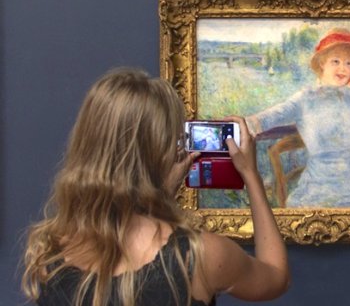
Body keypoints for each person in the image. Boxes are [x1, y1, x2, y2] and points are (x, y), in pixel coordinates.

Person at [22, 67, 289, 305]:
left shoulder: (49, 255)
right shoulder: (198, 257)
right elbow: (275, 277)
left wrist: (160, 197)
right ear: (163, 152)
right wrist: (250, 174)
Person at [247, 28, 350, 208]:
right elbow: (268, 118)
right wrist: (241, 124)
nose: (343, 68)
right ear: (322, 64)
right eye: (336, 61)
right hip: (317, 186)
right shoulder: (305, 98)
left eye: (349, 63)